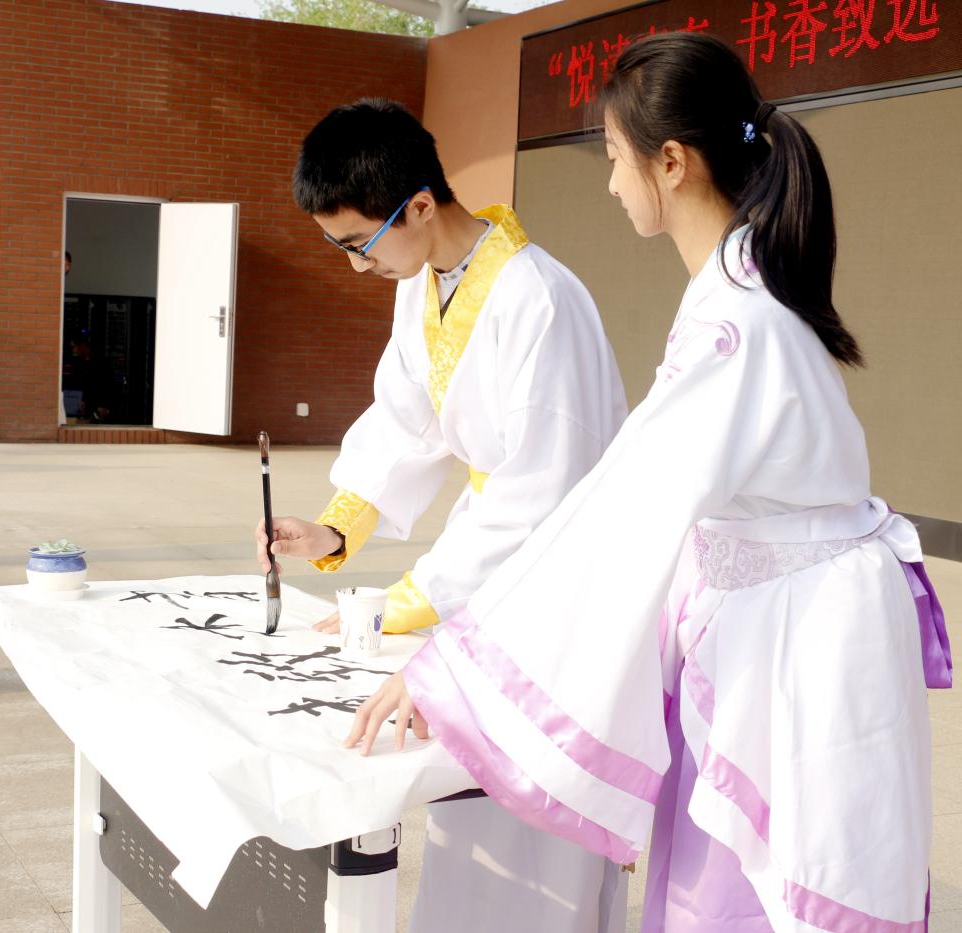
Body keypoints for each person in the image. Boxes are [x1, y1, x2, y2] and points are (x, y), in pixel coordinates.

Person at [348, 35, 951, 932]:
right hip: (771, 624)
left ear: (671, 162)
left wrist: (460, 665)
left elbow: (619, 510)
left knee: (749, 895)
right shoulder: (738, 292)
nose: (608, 182)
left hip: (791, 649)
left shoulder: (731, 323)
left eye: (612, 156)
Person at [256, 99, 630, 933]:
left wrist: (410, 599)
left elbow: (545, 487)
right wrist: (335, 527)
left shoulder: (539, 299)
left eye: (359, 243)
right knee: (474, 814)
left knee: (541, 824)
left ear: (420, 204)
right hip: (495, 565)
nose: (357, 266)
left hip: (559, 579)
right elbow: (406, 419)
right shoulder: (424, 283)